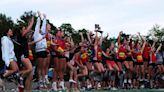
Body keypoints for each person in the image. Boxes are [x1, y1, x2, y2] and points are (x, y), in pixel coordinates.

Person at [17, 16, 34, 92]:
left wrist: (29, 23)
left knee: (30, 76)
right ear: (21, 31)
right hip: (23, 56)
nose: (25, 30)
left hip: (26, 56)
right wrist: (32, 22)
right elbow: (28, 29)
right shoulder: (21, 36)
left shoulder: (24, 38)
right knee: (30, 69)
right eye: (24, 29)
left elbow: (28, 29)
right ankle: (18, 75)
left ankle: (28, 90)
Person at [33, 11, 48, 88]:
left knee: (44, 66)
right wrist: (39, 17)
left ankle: (43, 80)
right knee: (40, 67)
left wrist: (45, 18)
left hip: (44, 51)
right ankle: (39, 81)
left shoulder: (42, 33)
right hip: (39, 51)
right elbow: (38, 25)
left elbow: (43, 25)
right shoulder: (36, 34)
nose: (40, 29)